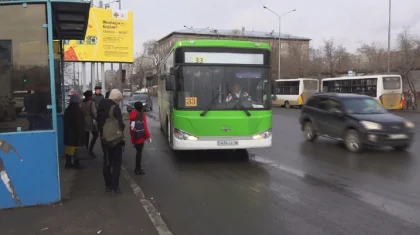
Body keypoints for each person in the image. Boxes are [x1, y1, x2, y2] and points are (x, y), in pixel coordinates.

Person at [97, 89, 125, 195]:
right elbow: (120, 124)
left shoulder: (101, 105)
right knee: (116, 163)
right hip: (115, 140)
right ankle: (115, 187)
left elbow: (99, 122)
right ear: (117, 99)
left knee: (107, 161)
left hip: (104, 138)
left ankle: (107, 185)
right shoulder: (115, 107)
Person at [63, 94, 86, 169]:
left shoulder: (68, 109)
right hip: (75, 133)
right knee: (76, 148)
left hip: (68, 132)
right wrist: (81, 134)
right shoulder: (78, 110)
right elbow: (79, 123)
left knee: (69, 148)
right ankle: (77, 163)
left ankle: (68, 162)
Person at [129, 102, 151, 175]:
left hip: (134, 136)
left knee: (138, 151)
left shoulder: (132, 115)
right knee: (139, 153)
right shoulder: (142, 115)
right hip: (140, 136)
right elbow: (145, 127)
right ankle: (137, 168)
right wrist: (148, 136)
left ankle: (138, 167)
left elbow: (131, 128)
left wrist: (132, 137)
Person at [82, 90, 98, 156]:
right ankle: (90, 150)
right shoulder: (91, 103)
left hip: (83, 120)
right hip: (90, 120)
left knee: (86, 137)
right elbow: (94, 112)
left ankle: (85, 151)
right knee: (95, 135)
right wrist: (97, 118)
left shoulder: (82, 102)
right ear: (90, 96)